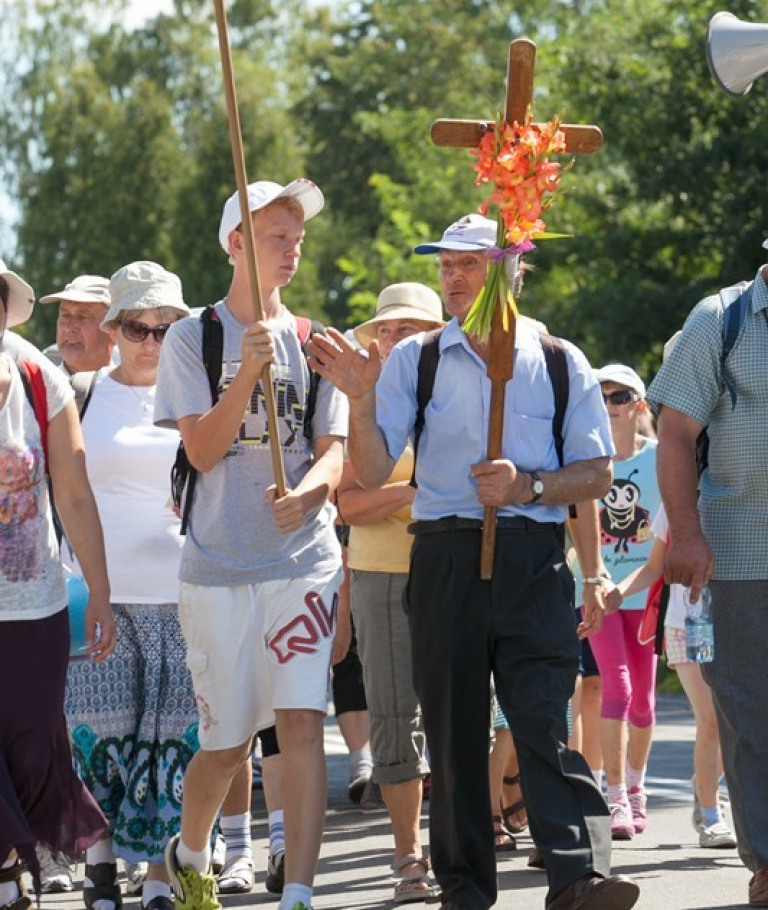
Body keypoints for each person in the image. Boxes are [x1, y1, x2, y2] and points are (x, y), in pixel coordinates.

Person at [308, 213, 639, 910]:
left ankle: (578, 875)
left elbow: (597, 472)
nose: (451, 277)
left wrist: (530, 487)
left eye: (468, 264)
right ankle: (463, 889)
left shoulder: (559, 360)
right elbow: (370, 467)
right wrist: (360, 400)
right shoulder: (416, 358)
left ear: (510, 270)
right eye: (445, 265)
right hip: (445, 556)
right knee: (455, 732)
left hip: (532, 560)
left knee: (543, 721)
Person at [154, 178, 347, 910]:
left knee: (301, 725)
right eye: (276, 237)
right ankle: (189, 851)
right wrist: (248, 373)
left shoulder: (316, 340)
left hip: (302, 564)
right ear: (237, 243)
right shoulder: (191, 338)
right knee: (227, 744)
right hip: (217, 568)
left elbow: (334, 452)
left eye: (298, 239)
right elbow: (201, 450)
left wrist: (312, 495)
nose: (293, 250)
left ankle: (298, 893)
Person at [63, 261, 195, 910]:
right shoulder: (80, 394)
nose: (152, 342)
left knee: (173, 743)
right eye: (138, 328)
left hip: (183, 593)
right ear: (112, 329)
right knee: (99, 737)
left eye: (165, 329)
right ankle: (99, 865)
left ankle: (159, 879)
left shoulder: (198, 397)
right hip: (98, 594)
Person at [647, 240, 768, 908]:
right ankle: (767, 861)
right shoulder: (720, 319)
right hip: (742, 555)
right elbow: (674, 433)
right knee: (751, 716)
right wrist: (687, 535)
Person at [0, 259, 116, 910]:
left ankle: (10, 864)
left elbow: (73, 493)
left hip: (32, 606)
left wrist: (99, 589)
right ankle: (5, 871)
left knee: (29, 751)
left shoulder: (38, 378)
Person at [336, 281, 444, 903]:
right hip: (381, 574)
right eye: (386, 329)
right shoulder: (363, 403)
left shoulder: (465, 392)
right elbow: (347, 504)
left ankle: (459, 843)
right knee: (394, 718)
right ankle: (409, 857)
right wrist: (407, 495)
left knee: (460, 714)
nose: (395, 338)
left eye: (409, 328)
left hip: (454, 569)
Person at [605, 507, 737, 849]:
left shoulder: (739, 496)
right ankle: (711, 817)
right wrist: (618, 591)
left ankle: (705, 783)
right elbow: (654, 567)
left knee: (737, 723)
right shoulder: (676, 505)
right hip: (686, 624)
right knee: (710, 721)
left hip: (736, 620)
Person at [584, 365, 661, 840]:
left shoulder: (660, 458)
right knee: (617, 688)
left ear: (639, 405)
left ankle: (635, 787)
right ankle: (614, 797)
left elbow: (667, 534)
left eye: (620, 396)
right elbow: (573, 534)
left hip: (643, 593)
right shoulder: (585, 458)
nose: (610, 404)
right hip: (596, 592)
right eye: (603, 396)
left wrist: (627, 586)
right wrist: (595, 581)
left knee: (645, 705)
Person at [39, 276, 115, 374]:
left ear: (113, 329)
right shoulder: (34, 382)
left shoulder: (131, 383)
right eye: (65, 316)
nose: (69, 328)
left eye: (83, 317)